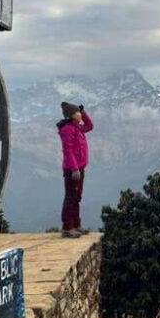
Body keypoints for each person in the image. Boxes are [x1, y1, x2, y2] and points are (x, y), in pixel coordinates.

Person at [56, 101, 94, 238]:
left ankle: (76, 225)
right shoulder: (67, 130)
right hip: (72, 170)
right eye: (77, 112)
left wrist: (83, 112)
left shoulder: (77, 127)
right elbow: (68, 151)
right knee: (70, 197)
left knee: (77, 197)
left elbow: (90, 126)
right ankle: (67, 227)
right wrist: (74, 169)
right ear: (71, 115)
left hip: (80, 168)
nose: (80, 114)